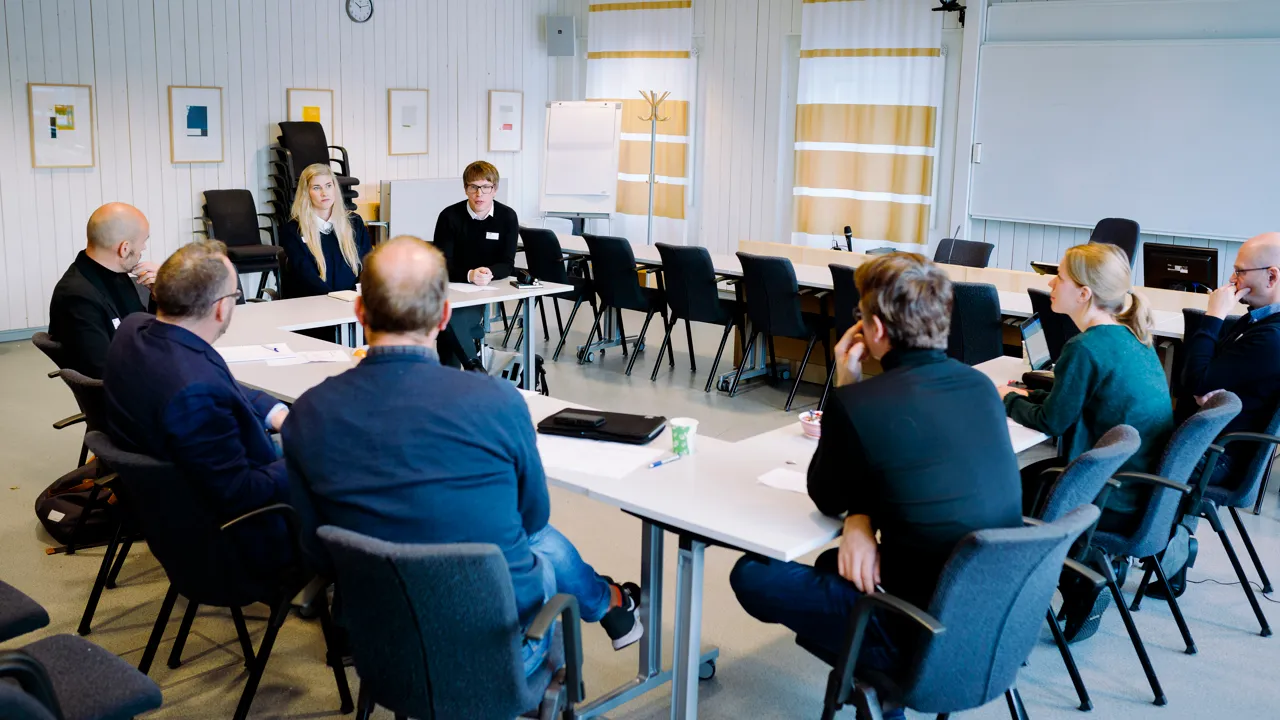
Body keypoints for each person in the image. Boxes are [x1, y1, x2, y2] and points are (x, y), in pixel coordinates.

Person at [283, 236, 642, 674]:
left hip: (381, 647)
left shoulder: (307, 414)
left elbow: (316, 548)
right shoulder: (497, 402)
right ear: (446, 315)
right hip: (493, 648)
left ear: (359, 313)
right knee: (537, 552)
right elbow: (532, 517)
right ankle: (610, 604)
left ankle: (610, 602)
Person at [729, 253, 1023, 719]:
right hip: (994, 615)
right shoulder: (980, 387)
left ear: (877, 331)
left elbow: (827, 496)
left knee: (752, 575)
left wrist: (846, 382)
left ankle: (884, 691)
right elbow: (901, 472)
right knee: (833, 563)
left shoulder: (863, 402)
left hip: (914, 629)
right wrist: (863, 518)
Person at [103, 240, 291, 579]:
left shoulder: (134, 330)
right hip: (238, 539)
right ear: (221, 308)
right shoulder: (194, 393)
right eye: (235, 296)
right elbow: (242, 493)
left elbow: (218, 384)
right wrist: (311, 457)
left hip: (175, 509)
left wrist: (273, 410)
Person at [1000, 243, 1174, 534]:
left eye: (1060, 276)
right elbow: (1076, 402)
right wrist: (1028, 395)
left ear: (1084, 294)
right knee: (1024, 478)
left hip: (1106, 493)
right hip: (1136, 486)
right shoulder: (1133, 337)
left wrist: (1006, 400)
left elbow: (1052, 422)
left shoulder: (1084, 347)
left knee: (1002, 490)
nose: (1051, 281)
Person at [1179, 231, 1280, 487]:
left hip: (1216, 456)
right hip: (1204, 439)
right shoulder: (1257, 318)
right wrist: (1203, 387)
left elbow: (1194, 382)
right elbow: (1199, 378)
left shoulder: (1272, 336)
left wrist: (1214, 316)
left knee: (1111, 453)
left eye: (1240, 271)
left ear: (1272, 276)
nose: (1232, 279)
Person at [48, 203, 158, 378]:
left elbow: (145, 329)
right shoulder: (77, 297)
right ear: (125, 248)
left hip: (142, 368)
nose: (144, 248)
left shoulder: (115, 273)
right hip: (129, 392)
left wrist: (159, 295)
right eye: (143, 241)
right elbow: (102, 372)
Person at [432, 161, 519, 367]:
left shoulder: (507, 217)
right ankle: (473, 371)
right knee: (449, 317)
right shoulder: (449, 216)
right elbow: (440, 264)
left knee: (449, 323)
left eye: (486, 187)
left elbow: (507, 263)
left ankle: (456, 376)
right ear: (465, 189)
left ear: (495, 190)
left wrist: (489, 272)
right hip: (452, 287)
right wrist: (470, 274)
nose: (479, 194)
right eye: (473, 187)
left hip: (488, 288)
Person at [279, 163, 373, 299]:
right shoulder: (293, 230)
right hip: (313, 304)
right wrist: (333, 298)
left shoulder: (354, 222)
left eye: (329, 186)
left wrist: (354, 294)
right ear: (306, 193)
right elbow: (305, 275)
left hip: (351, 302)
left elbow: (367, 263)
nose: (324, 193)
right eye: (317, 188)